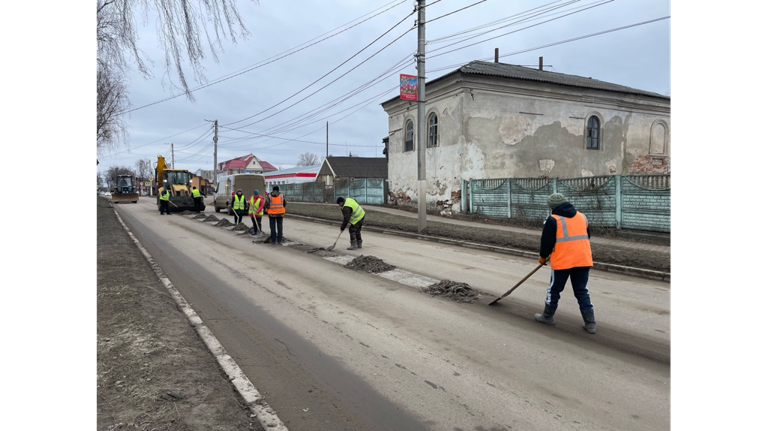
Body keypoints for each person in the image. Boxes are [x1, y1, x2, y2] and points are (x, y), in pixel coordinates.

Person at [534, 193, 596, 334]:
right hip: (583, 259)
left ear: (551, 207)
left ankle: (548, 316)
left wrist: (543, 257)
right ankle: (590, 323)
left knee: (554, 289)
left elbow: (546, 242)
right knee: (581, 290)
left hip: (563, 261)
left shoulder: (553, 220)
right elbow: (587, 236)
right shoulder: (582, 216)